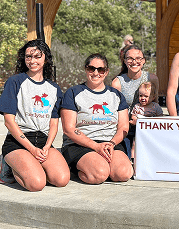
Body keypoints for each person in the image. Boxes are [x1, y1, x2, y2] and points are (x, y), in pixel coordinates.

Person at [0, 39, 70, 191]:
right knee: (36, 184)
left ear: (46, 59)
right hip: (18, 141)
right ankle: (7, 164)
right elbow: (9, 122)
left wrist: (47, 146)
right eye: (28, 56)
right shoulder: (15, 82)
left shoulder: (54, 88)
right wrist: (31, 149)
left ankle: (32, 165)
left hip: (42, 140)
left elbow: (54, 123)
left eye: (37, 56)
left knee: (61, 180)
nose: (32, 60)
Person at [61, 53, 133, 184]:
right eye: (91, 68)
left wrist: (111, 144)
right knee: (99, 174)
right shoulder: (73, 93)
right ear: (86, 69)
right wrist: (95, 146)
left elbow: (124, 127)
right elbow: (69, 129)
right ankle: (77, 168)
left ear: (106, 72)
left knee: (123, 174)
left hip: (110, 143)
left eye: (100, 69)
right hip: (80, 144)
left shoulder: (116, 95)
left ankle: (101, 165)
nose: (96, 73)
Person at [112, 45, 159, 153]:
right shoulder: (117, 83)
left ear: (143, 61)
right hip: (126, 130)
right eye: (130, 58)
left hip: (147, 129)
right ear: (125, 61)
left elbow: (155, 104)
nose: (134, 62)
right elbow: (115, 112)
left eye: (138, 58)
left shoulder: (152, 79)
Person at [129, 81, 163, 159]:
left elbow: (160, 117)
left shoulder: (155, 107)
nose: (143, 98)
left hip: (152, 131)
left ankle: (152, 157)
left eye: (146, 96)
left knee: (151, 145)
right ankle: (133, 158)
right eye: (141, 96)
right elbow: (133, 116)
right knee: (135, 144)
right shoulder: (137, 106)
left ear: (153, 97)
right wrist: (134, 120)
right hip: (140, 132)